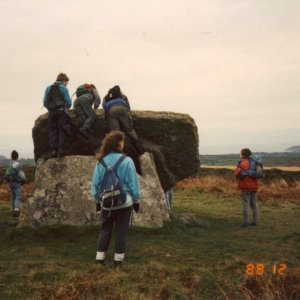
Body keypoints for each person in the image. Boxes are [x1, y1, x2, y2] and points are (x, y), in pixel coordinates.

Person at [91, 130, 140, 268]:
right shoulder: (127, 161)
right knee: (121, 231)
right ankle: (118, 262)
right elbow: (133, 184)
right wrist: (136, 201)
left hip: (106, 202)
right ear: (119, 144)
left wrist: (97, 201)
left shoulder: (100, 162)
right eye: (123, 141)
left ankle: (99, 259)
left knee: (105, 229)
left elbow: (95, 183)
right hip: (125, 202)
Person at [102, 85, 144, 155]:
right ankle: (140, 150)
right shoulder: (123, 95)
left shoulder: (107, 96)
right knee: (130, 130)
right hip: (122, 108)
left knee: (115, 133)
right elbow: (128, 106)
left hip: (111, 110)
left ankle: (116, 152)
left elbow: (104, 105)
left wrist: (109, 108)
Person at [43, 73, 72, 158]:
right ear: (64, 80)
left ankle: (54, 150)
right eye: (67, 82)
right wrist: (65, 107)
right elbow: (68, 102)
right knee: (61, 130)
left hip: (52, 112)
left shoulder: (48, 88)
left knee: (53, 130)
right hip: (61, 111)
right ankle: (61, 150)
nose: (67, 84)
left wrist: (50, 109)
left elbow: (45, 101)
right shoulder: (63, 88)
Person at [235, 148, 259, 227]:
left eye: (241, 154)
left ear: (243, 154)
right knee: (254, 204)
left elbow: (237, 174)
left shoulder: (242, 163)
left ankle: (245, 221)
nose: (240, 155)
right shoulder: (255, 162)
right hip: (254, 186)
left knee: (246, 204)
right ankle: (255, 221)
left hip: (245, 186)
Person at [4, 150, 27, 217]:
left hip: (10, 182)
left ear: (11, 156)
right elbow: (21, 173)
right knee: (18, 196)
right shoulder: (17, 164)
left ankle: (13, 209)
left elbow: (6, 173)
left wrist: (6, 181)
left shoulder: (9, 164)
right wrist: (24, 180)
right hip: (16, 182)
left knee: (13, 196)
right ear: (17, 156)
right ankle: (16, 210)